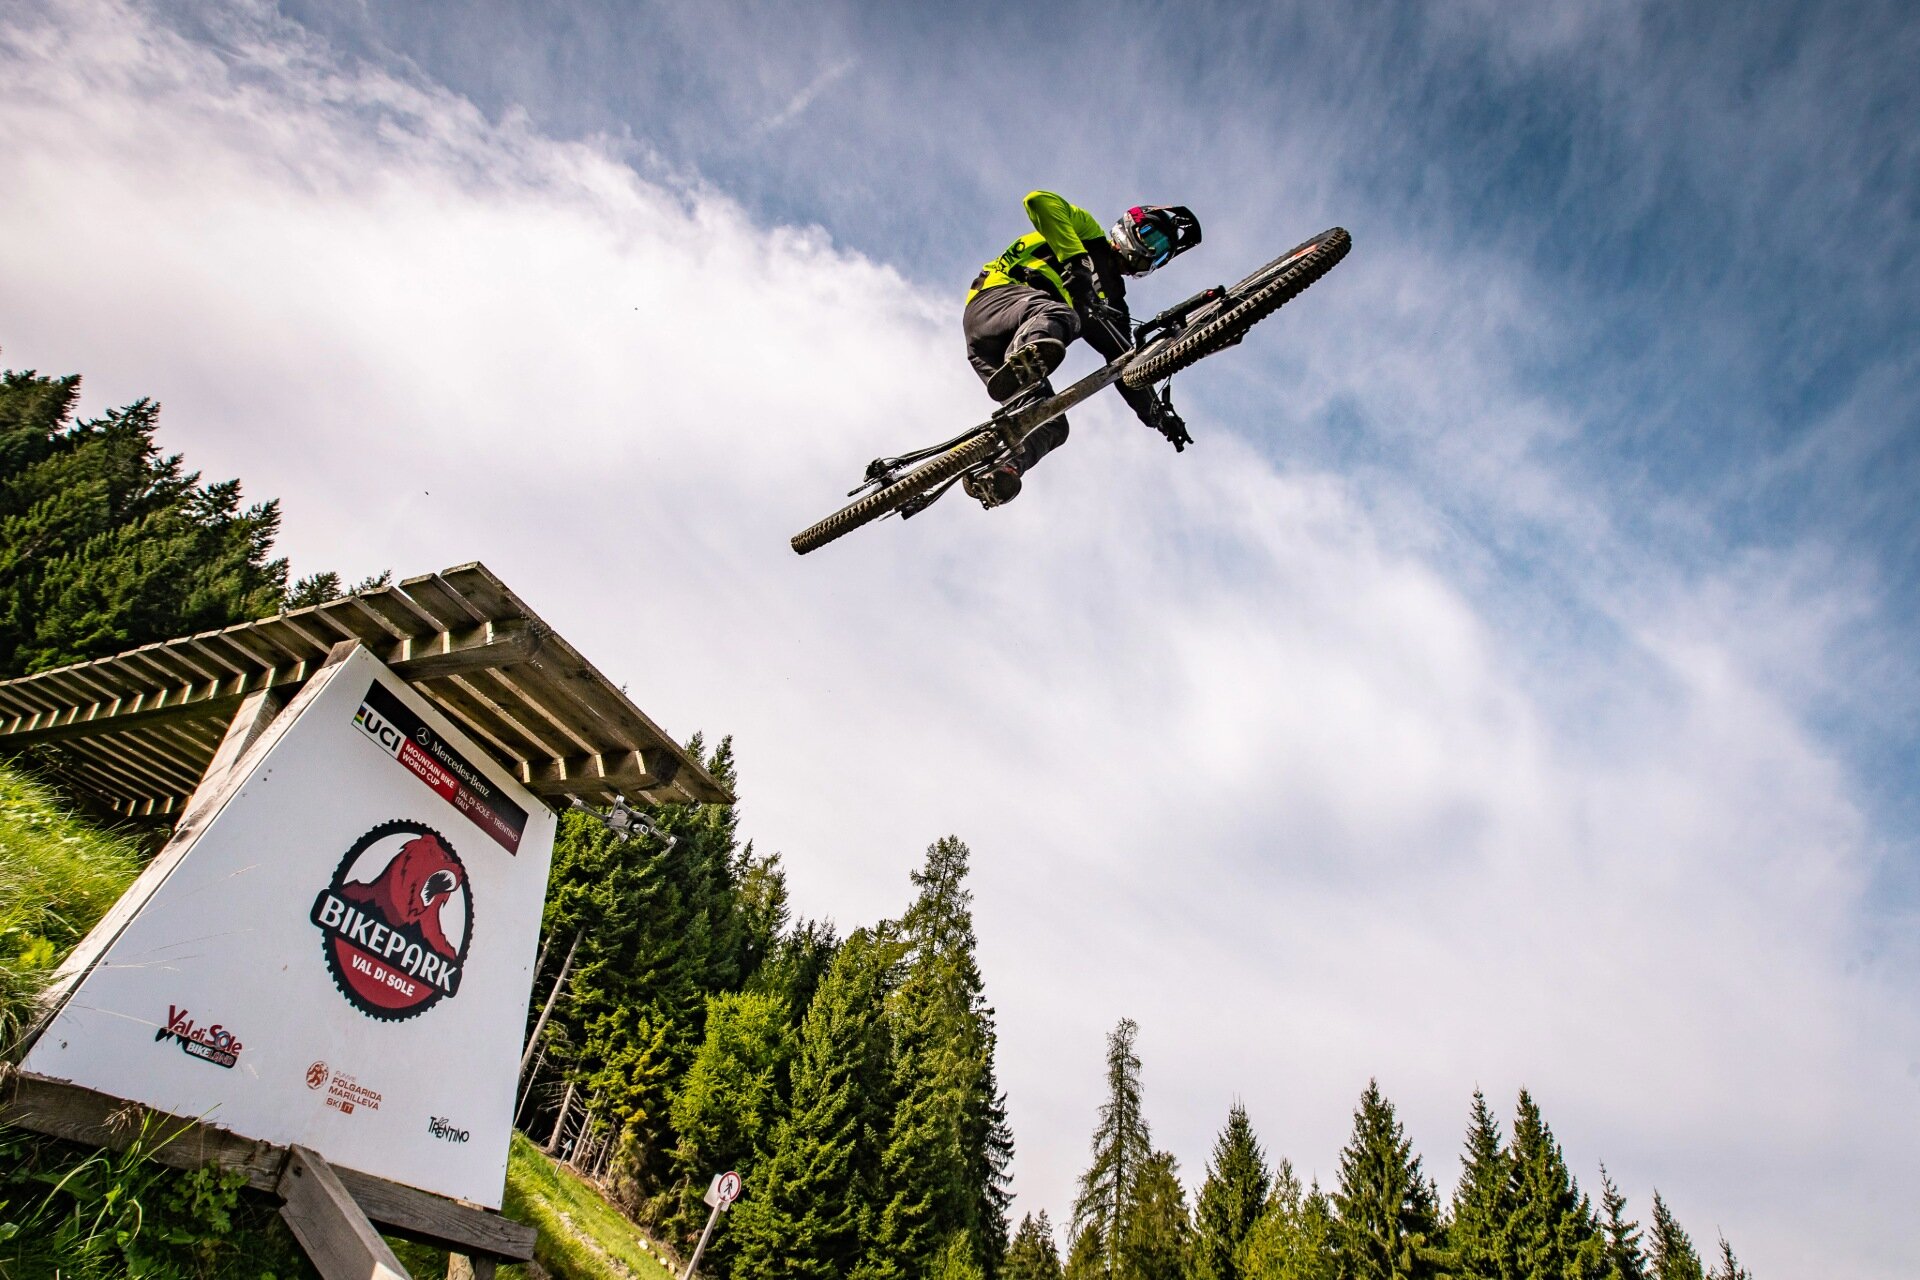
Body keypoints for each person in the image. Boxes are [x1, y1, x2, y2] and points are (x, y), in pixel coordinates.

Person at [960, 191, 1202, 507]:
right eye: (1151, 237)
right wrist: (1076, 261)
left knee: (1052, 423)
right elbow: (1037, 201)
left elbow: (1127, 367)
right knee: (1064, 314)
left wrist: (1157, 416)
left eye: (1160, 253)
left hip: (990, 355)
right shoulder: (1087, 234)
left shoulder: (1113, 304)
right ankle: (1026, 352)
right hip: (994, 303)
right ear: (1129, 227)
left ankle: (996, 472)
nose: (1151, 252)